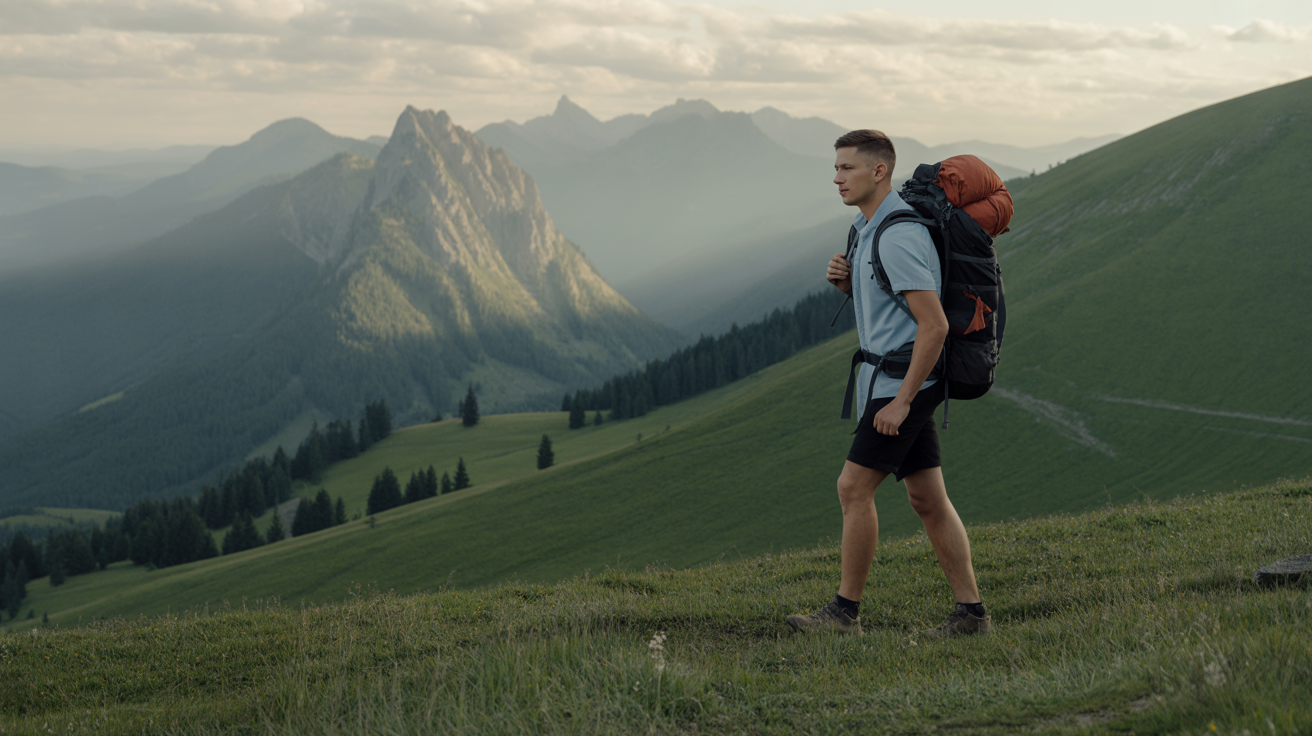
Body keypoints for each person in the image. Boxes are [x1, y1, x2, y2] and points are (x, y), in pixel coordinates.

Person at [785, 129, 990, 639]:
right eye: (835, 168)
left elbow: (935, 325)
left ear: (880, 171)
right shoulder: (868, 227)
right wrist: (846, 282)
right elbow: (891, 305)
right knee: (927, 498)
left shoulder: (897, 234)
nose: (836, 178)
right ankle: (972, 616)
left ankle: (843, 615)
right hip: (887, 378)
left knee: (853, 487)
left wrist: (901, 402)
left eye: (847, 168)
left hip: (903, 383)